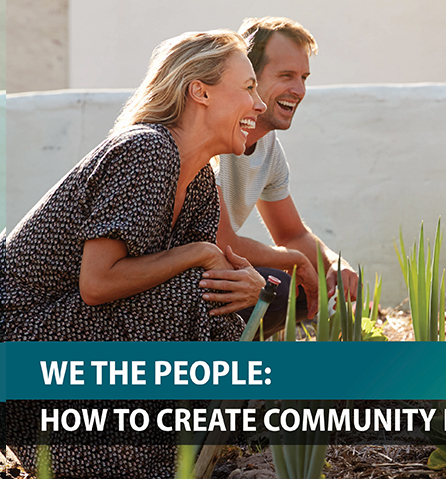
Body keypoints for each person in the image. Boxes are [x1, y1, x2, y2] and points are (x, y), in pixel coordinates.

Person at [1, 30, 266, 477]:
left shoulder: (201, 183)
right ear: (199, 91)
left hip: (71, 341)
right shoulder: (146, 149)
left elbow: (207, 280)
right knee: (189, 294)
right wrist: (202, 252)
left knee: (215, 303)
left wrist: (248, 288)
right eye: (249, 87)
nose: (258, 105)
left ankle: (173, 453)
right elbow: (99, 283)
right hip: (23, 342)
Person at [215, 17, 358, 337]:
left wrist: (334, 264)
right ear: (248, 78)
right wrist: (296, 261)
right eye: (286, 76)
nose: (299, 89)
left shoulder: (268, 146)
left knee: (309, 285)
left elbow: (292, 234)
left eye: (304, 77)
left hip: (209, 273)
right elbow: (220, 241)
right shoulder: (213, 137)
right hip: (167, 283)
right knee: (281, 289)